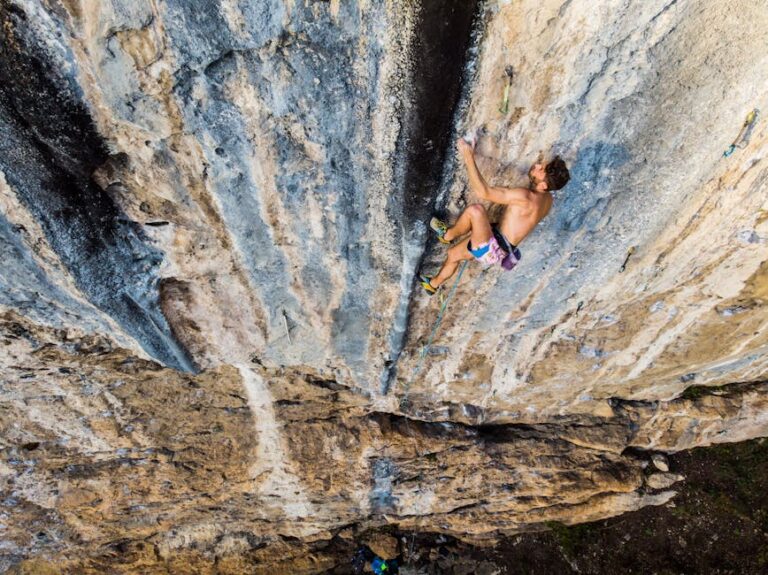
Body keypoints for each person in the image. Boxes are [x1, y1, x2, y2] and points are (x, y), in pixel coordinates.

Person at [420, 138, 570, 294]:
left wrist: (468, 156)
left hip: (492, 247)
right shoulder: (548, 200)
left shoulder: (526, 197)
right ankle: (433, 285)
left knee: (476, 211)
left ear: (543, 185)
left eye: (541, 170)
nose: (537, 165)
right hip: (500, 247)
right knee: (453, 255)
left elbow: (483, 192)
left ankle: (448, 234)